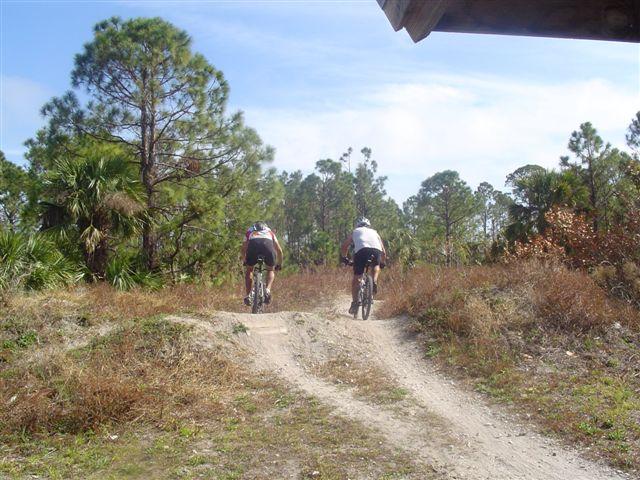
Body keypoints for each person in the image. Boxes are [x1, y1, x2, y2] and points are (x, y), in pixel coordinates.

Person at [340, 217, 386, 315]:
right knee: (376, 266)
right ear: (368, 226)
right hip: (376, 250)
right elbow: (384, 252)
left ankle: (355, 303)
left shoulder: (355, 231)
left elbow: (344, 246)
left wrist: (344, 258)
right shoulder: (375, 232)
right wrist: (382, 262)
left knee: (357, 277)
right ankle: (374, 281)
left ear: (358, 225)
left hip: (362, 251)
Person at [241, 221, 283, 306]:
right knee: (270, 270)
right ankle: (267, 290)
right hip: (268, 247)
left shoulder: (249, 231)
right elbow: (279, 251)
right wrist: (279, 264)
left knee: (249, 270)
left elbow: (243, 248)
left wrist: (244, 260)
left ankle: (249, 295)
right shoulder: (270, 232)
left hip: (253, 247)